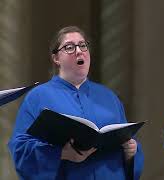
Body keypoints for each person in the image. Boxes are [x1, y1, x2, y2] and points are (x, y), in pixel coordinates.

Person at [8, 26, 143, 180]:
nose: (79, 51)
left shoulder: (109, 96)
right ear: (56, 58)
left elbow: (128, 142)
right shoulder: (38, 97)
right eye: (69, 47)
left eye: (83, 45)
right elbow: (20, 149)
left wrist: (131, 152)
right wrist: (61, 154)